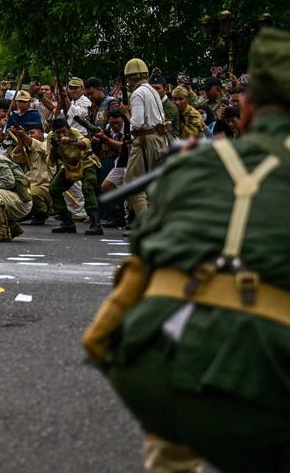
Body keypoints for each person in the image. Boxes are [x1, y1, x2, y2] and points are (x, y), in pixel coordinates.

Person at [92, 28, 290, 471]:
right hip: (266, 373)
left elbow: (145, 254)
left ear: (249, 109)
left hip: (156, 365)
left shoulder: (202, 161)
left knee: (172, 436)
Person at [124, 58, 171, 216]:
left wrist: (126, 114)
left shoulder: (137, 93)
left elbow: (137, 123)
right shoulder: (153, 90)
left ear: (131, 78)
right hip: (159, 138)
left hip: (145, 140)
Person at [47, 117, 103, 235]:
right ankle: (67, 222)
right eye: (58, 132)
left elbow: (85, 144)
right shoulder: (51, 137)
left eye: (64, 131)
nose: (61, 134)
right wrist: (54, 147)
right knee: (54, 189)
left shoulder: (74, 132)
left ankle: (96, 223)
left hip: (86, 162)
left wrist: (69, 141)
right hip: (69, 166)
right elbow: (51, 161)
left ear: (68, 128)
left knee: (88, 188)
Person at [9, 124, 52, 226]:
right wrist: (20, 142)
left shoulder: (48, 144)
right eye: (28, 133)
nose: (30, 135)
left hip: (44, 187)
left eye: (32, 133)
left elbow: (39, 146)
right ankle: (27, 213)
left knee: (31, 193)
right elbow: (15, 158)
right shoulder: (28, 148)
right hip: (29, 184)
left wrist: (24, 136)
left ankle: (42, 212)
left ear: (42, 133)